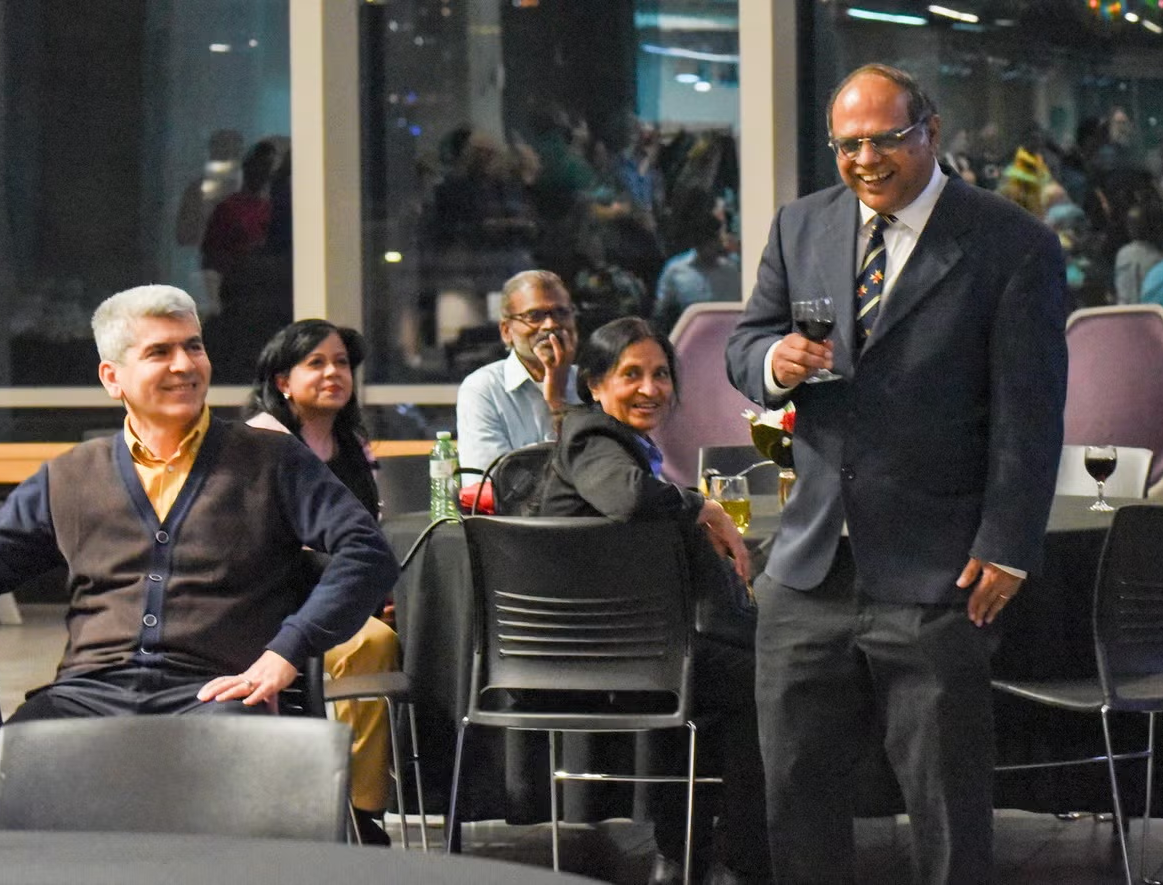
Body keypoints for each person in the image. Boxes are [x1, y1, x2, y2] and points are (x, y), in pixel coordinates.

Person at [725, 63, 1067, 885]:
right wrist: (777, 361)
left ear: (932, 132)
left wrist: (1009, 543)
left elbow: (1030, 414)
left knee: (947, 803)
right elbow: (744, 346)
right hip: (808, 569)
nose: (866, 159)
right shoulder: (802, 225)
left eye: (886, 139)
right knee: (795, 791)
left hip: (940, 568)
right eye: (849, 144)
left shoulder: (1011, 243)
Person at [0, 285, 396, 725]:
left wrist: (287, 651)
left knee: (244, 758)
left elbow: (366, 552)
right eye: (159, 352)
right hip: (86, 696)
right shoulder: (70, 475)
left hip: (216, 694)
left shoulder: (273, 459)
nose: (184, 365)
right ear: (113, 378)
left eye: (193, 347)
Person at [526, 317, 765, 885]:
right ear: (594, 384)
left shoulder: (616, 440)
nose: (650, 389)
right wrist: (701, 506)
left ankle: (684, 854)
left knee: (722, 677)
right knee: (766, 680)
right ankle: (748, 862)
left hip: (626, 647)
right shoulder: (591, 437)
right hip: (595, 655)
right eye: (630, 374)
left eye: (661, 375)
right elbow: (627, 497)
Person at [245, 319, 400, 845]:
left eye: (341, 363)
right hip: (282, 602)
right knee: (374, 643)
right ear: (283, 379)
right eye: (317, 363)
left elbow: (367, 534)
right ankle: (358, 812)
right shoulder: (262, 441)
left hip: (344, 593)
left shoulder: (353, 443)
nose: (334, 373)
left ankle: (372, 802)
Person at [455, 269, 580, 477]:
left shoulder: (592, 384)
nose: (551, 325)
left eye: (561, 313)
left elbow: (605, 477)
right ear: (506, 331)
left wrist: (559, 402)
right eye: (534, 316)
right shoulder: (484, 389)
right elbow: (491, 485)